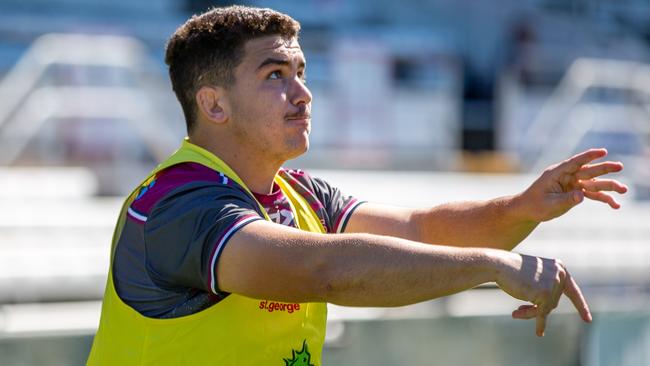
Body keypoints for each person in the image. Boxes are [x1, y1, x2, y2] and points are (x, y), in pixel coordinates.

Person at [86, 5, 628, 365]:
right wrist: (490, 265)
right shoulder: (173, 203)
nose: (303, 93)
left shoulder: (299, 194)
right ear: (214, 103)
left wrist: (524, 205)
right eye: (275, 75)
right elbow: (322, 270)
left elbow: (421, 231)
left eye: (301, 72)